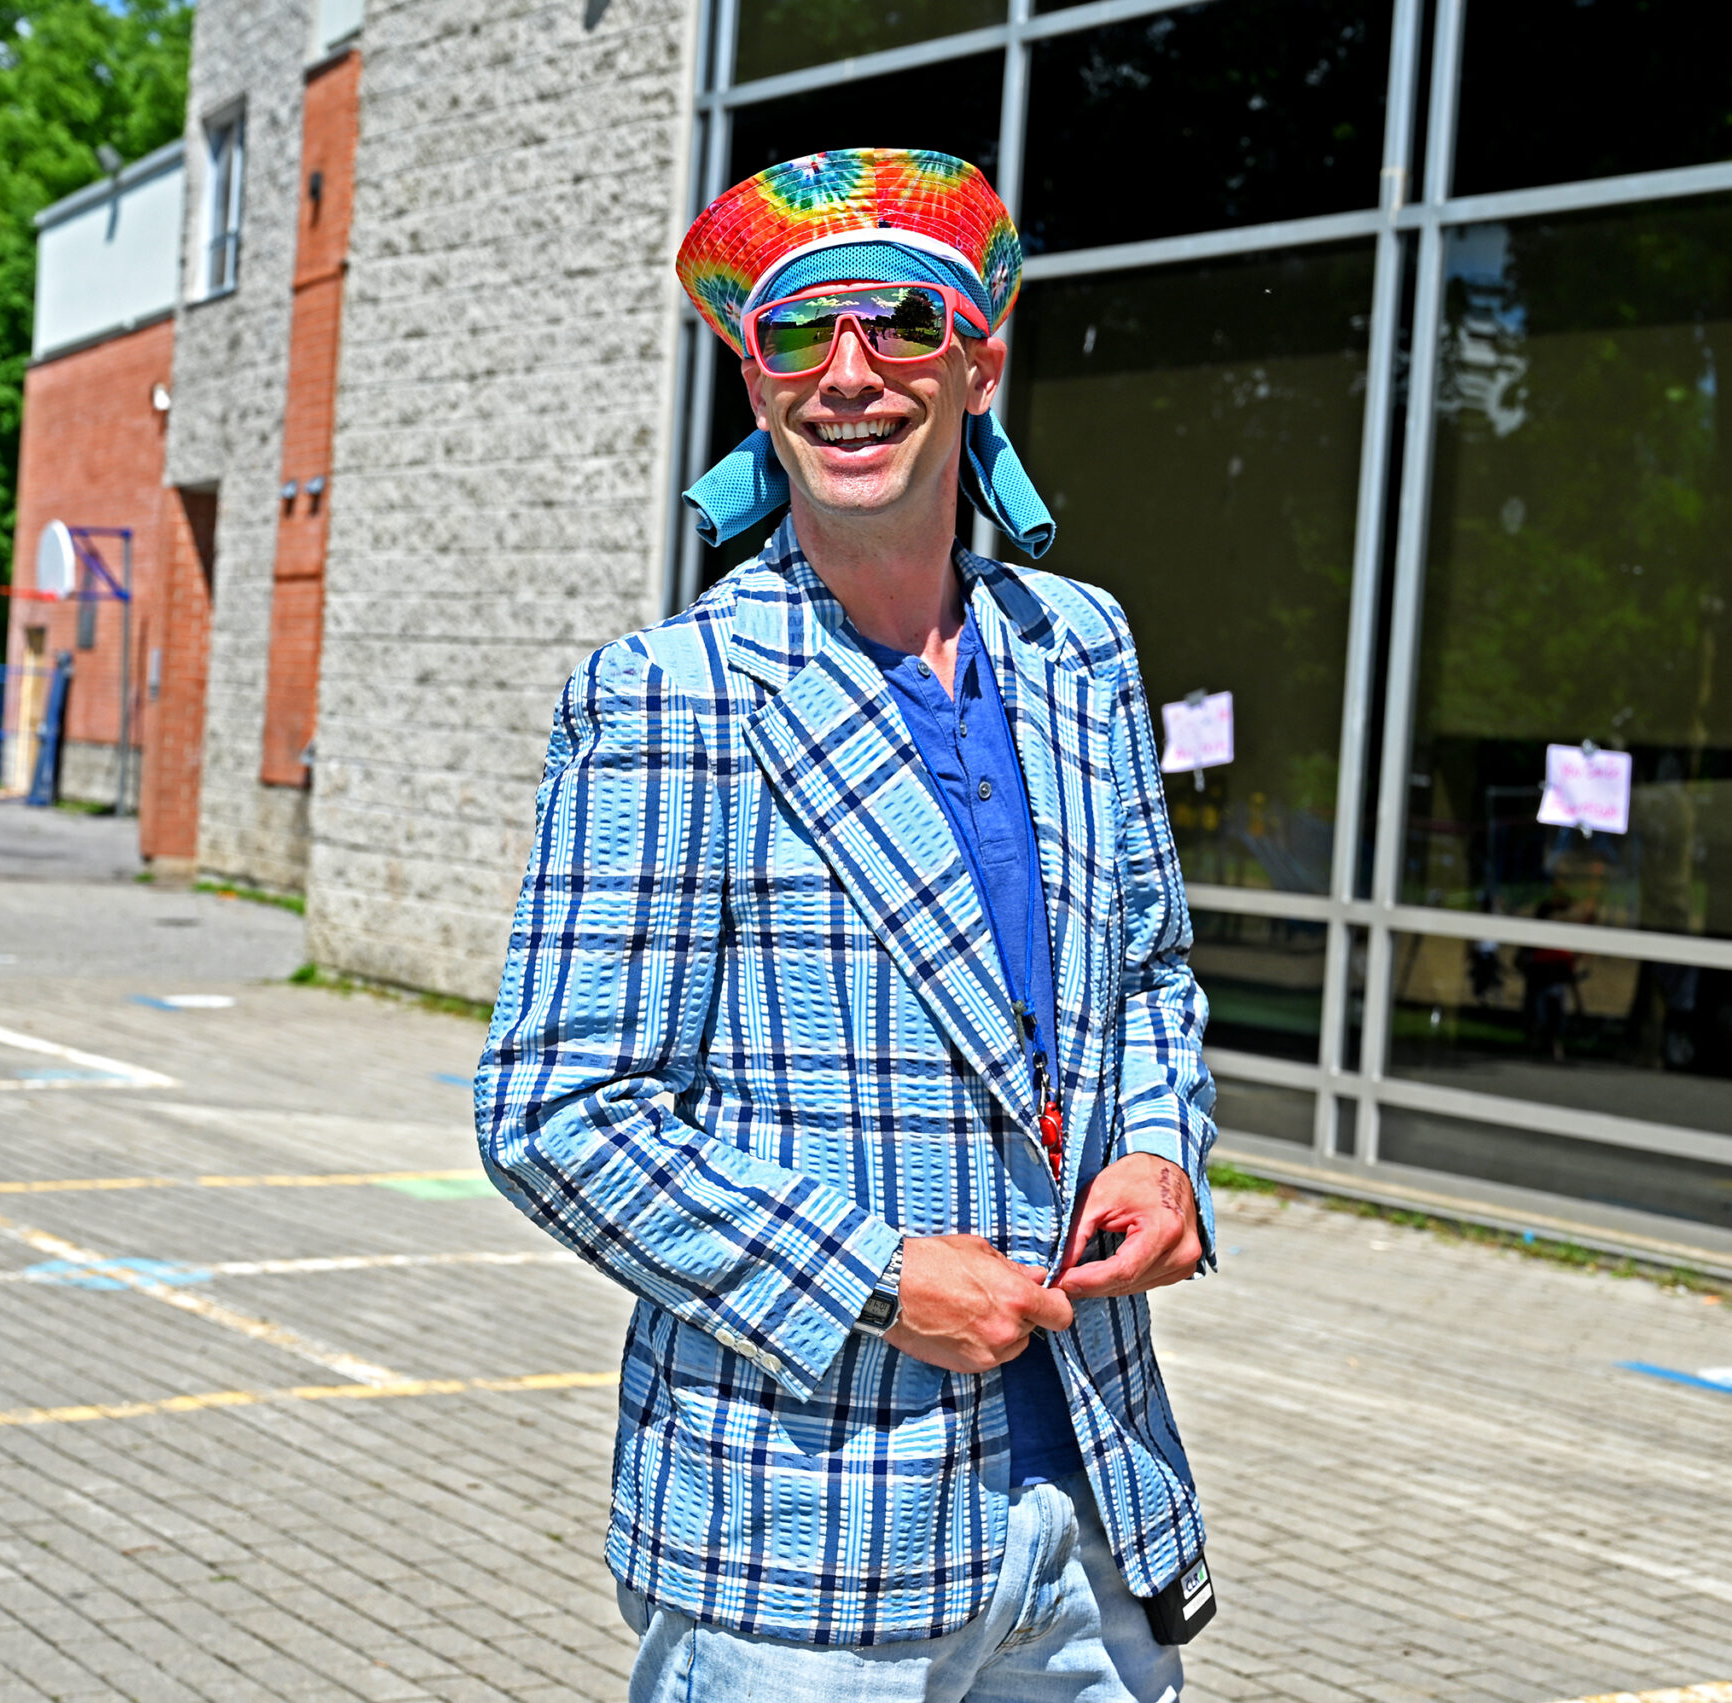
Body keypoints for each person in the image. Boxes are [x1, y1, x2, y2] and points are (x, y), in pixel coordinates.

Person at [472, 148, 1219, 1702]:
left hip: (1090, 1498)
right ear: (755, 383)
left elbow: (1146, 969)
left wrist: (1156, 1149)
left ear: (981, 360)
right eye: (798, 337)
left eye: (900, 323)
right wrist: (873, 1277)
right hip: (798, 1552)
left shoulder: (1080, 651)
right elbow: (554, 1111)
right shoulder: (668, 697)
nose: (850, 375)